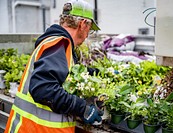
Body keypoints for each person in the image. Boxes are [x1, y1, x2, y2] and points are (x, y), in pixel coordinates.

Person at [5, 0, 103, 132]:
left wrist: (98, 73)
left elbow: (65, 74)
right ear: (82, 24)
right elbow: (44, 89)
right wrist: (82, 108)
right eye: (89, 29)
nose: (87, 35)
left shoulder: (56, 43)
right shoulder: (59, 44)